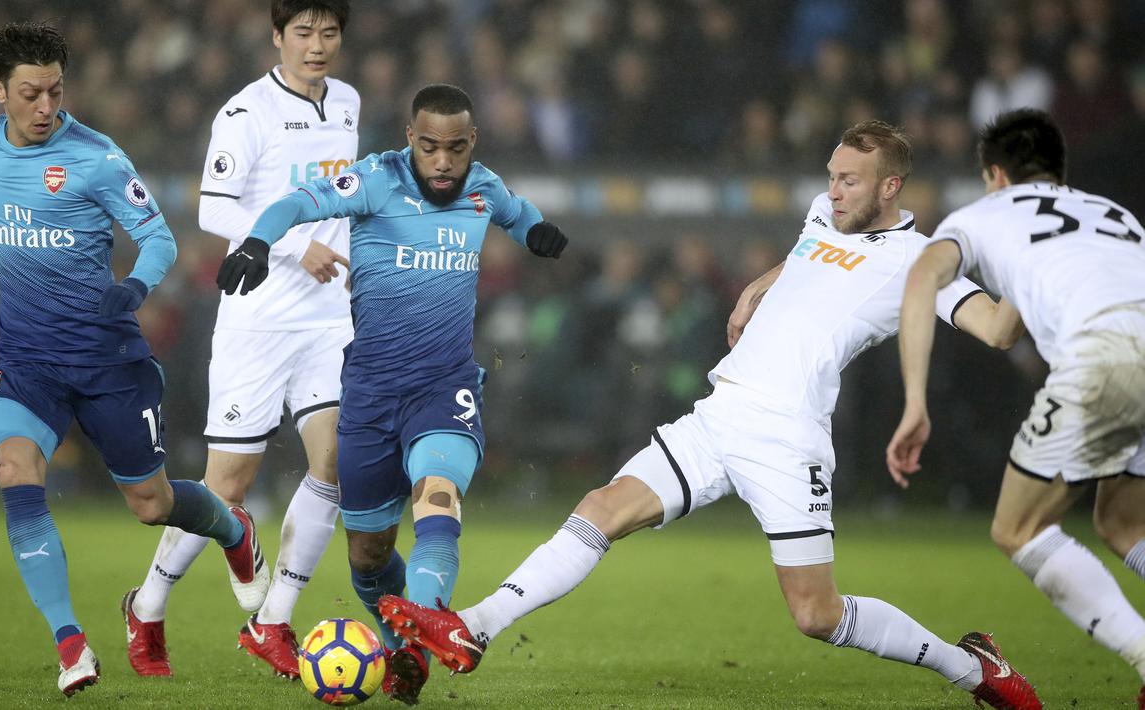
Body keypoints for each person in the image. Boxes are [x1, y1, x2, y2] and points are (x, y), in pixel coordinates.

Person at [376, 121, 1043, 710]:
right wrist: (757, 288)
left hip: (787, 438)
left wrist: (1024, 269)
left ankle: (970, 667)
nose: (833, 189)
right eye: (831, 176)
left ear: (890, 187)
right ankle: (474, 625)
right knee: (601, 508)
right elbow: (806, 257)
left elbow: (995, 329)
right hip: (721, 414)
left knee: (815, 614)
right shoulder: (821, 214)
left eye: (849, 180)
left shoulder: (919, 261)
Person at [0, 21, 261, 697]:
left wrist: (132, 288)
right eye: (30, 94)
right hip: (28, 361)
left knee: (149, 503)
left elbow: (159, 238)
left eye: (55, 91)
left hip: (108, 361)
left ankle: (232, 527)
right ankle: (71, 644)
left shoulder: (98, 158)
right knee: (13, 469)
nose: (46, 107)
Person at [216, 83, 568, 704]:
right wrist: (257, 240)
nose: (442, 162)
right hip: (371, 395)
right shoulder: (375, 179)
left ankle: (417, 644)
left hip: (445, 387)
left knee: (438, 501)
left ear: (472, 143)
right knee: (369, 555)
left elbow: (516, 211)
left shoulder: (484, 185)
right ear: (411, 138)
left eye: (455, 149)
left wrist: (538, 231)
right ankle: (403, 638)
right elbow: (296, 203)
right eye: (430, 147)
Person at [122, 0, 358, 680]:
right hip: (258, 320)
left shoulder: (346, 100)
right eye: (303, 33)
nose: (316, 46)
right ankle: (149, 604)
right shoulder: (245, 112)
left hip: (328, 319)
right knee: (227, 487)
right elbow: (212, 207)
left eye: (329, 33)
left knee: (335, 462)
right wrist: (292, 247)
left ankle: (273, 620)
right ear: (277, 37)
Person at [888, 108, 1145, 708]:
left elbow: (923, 278)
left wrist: (915, 401)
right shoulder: (1115, 214)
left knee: (1019, 527)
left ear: (995, 174)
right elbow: (1006, 328)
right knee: (1126, 524)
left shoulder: (983, 214)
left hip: (1103, 355)